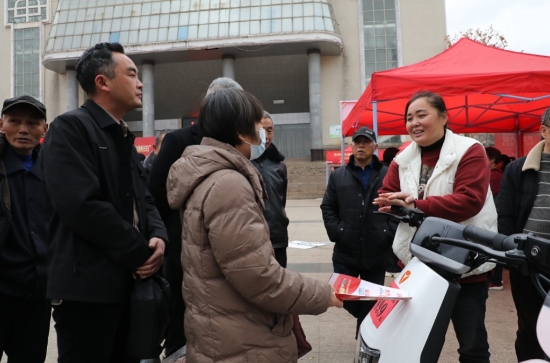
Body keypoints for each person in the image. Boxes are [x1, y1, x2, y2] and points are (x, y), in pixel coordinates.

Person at [166, 88, 342, 363]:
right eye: (258, 124)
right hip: (242, 340)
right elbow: (258, 276)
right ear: (240, 130)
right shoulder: (228, 184)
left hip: (221, 330)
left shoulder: (208, 175)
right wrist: (323, 294)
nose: (263, 133)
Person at [41, 42, 168, 363]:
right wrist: (140, 254)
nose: (140, 83)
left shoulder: (123, 136)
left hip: (128, 285)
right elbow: (81, 205)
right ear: (103, 82)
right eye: (132, 74)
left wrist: (158, 238)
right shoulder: (69, 129)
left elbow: (146, 199)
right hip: (87, 290)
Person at [374, 91, 497, 363]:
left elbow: (470, 201)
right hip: (420, 266)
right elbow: (388, 191)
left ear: (443, 117)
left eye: (421, 115)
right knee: (417, 343)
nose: (414, 123)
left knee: (472, 345)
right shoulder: (403, 157)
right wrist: (391, 202)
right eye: (409, 118)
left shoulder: (469, 150)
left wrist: (416, 204)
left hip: (465, 264)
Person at [147, 77, 242, 356]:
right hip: (183, 254)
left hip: (226, 251)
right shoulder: (178, 141)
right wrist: (170, 237)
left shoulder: (237, 143)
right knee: (183, 326)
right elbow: (156, 194)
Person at [321, 126, 397, 335]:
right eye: (357, 142)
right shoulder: (339, 176)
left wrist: (387, 233)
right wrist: (338, 231)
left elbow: (397, 208)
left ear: (375, 146)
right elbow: (328, 206)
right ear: (351, 146)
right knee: (344, 295)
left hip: (376, 249)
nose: (360, 145)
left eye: (365, 142)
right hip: (346, 249)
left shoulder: (388, 174)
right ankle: (365, 329)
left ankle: (364, 341)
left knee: (371, 300)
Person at [496, 107, 550, 362]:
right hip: (528, 264)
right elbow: (505, 215)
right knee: (530, 327)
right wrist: (512, 254)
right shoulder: (518, 169)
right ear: (544, 130)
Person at [0, 96, 50, 363]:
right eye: (15, 121)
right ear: (1, 124)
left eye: (32, 123)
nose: (23, 129)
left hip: (36, 295)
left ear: (45, 128)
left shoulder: (54, 170)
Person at [251, 111, 289, 267]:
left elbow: (282, 201)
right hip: (252, 240)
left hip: (277, 238)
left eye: (270, 130)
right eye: (262, 130)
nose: (266, 136)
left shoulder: (280, 165)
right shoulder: (243, 162)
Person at [485, 146, 504, 290]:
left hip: (495, 218)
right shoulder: (492, 174)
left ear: (491, 160)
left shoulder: (495, 176)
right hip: (495, 217)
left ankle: (496, 279)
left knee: (495, 248)